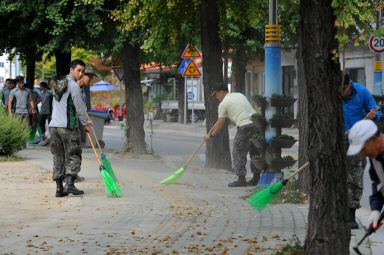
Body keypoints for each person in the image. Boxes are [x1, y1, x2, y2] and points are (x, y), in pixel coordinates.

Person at [341, 74, 381, 229]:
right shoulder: (331, 95)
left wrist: (373, 115)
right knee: (336, 177)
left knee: (355, 178)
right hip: (336, 142)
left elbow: (376, 112)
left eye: (342, 89)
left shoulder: (362, 92)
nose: (340, 92)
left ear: (349, 85)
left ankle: (351, 215)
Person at [49, 59, 93, 197]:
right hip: (67, 127)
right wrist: (86, 125)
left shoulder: (58, 83)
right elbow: (80, 109)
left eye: (83, 71)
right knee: (73, 155)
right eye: (78, 70)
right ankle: (70, 185)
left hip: (54, 127)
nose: (81, 74)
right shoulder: (73, 85)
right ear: (71, 70)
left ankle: (59, 189)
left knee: (58, 157)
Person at [204, 83, 257, 187]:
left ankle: (241, 179)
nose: (216, 97)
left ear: (222, 92)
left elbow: (220, 124)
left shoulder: (223, 104)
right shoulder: (239, 95)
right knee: (254, 151)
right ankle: (256, 178)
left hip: (245, 126)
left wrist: (210, 136)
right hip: (257, 123)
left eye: (216, 94)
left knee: (237, 151)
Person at [347, 120, 384, 229]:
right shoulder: (375, 157)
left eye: (362, 149)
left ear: (372, 139)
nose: (362, 154)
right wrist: (376, 209)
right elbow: (378, 183)